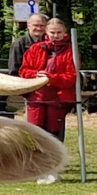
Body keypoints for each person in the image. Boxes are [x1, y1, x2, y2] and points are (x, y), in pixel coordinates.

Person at [18, 18, 82, 182]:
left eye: (59, 32)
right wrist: (36, 75)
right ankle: (34, 168)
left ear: (64, 33)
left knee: (54, 134)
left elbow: (71, 77)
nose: (55, 35)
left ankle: (53, 168)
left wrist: (51, 78)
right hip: (37, 97)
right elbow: (24, 71)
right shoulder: (35, 48)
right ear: (46, 32)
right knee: (34, 133)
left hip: (58, 99)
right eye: (52, 32)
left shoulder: (71, 51)